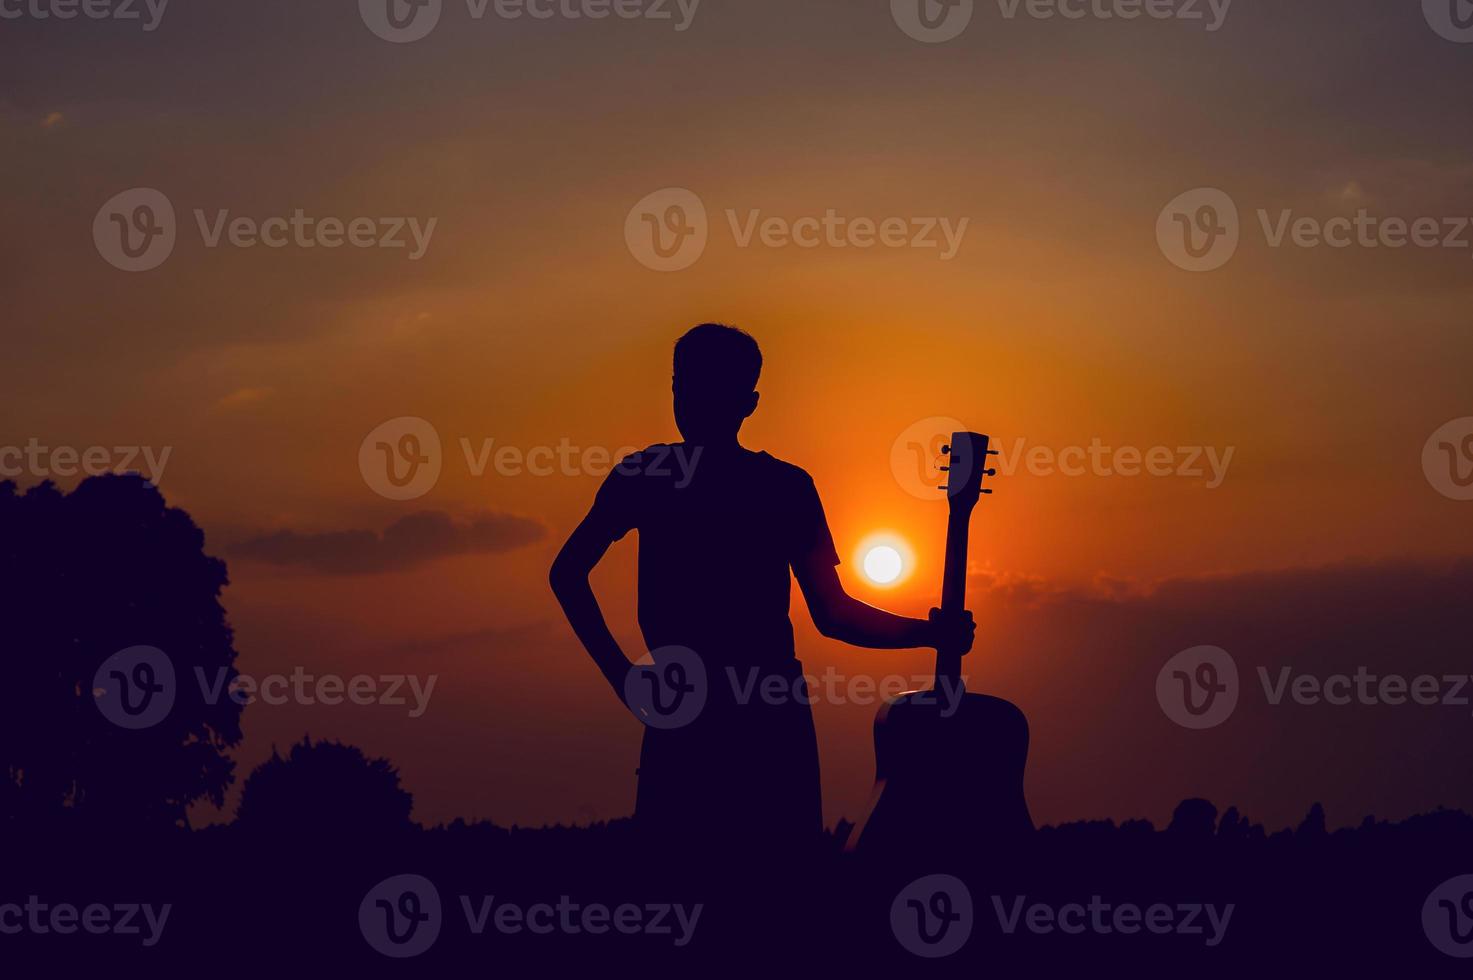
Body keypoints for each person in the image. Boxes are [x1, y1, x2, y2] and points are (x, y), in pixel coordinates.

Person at [549, 323, 975, 853]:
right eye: (685, 385)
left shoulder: (659, 475)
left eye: (702, 387)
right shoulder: (773, 485)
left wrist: (626, 679)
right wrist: (931, 634)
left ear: (747, 403)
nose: (690, 399)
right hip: (748, 714)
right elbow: (834, 615)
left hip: (733, 716)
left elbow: (567, 574)